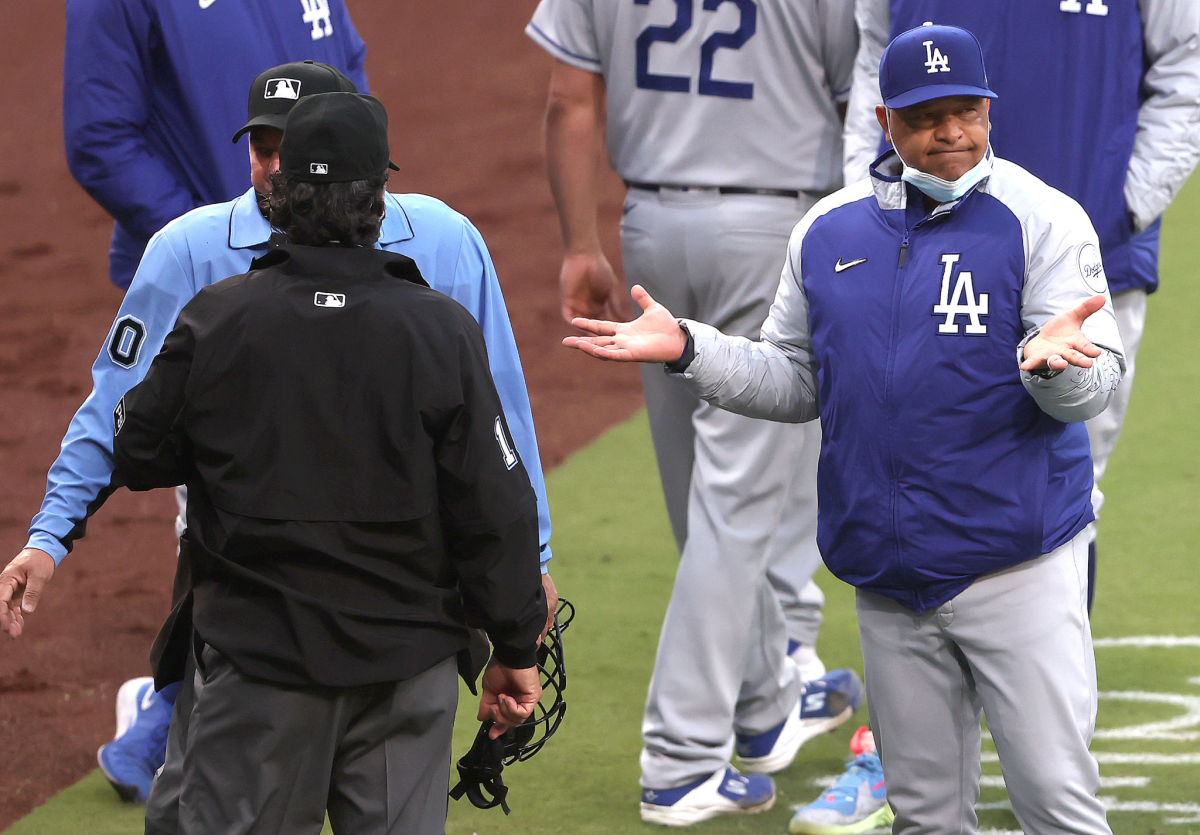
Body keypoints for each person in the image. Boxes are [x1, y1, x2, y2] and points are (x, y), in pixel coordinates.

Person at [565, 24, 1122, 835]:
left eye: (968, 111)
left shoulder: (1043, 221)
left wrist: (1057, 368)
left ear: (990, 111)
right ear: (885, 119)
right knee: (925, 818)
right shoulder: (828, 234)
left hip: (1017, 568)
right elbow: (794, 379)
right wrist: (693, 349)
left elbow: (1088, 392)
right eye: (929, 117)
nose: (953, 133)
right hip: (890, 579)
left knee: (1057, 809)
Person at [3, 60, 557, 823]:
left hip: (286, 624)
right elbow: (110, 409)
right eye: (262, 145)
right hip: (324, 611)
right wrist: (50, 534)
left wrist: (537, 567)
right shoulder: (194, 254)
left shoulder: (426, 250)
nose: (271, 166)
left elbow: (503, 433)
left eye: (285, 150)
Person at [525, 0, 863, 824]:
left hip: (654, 226)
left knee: (700, 499)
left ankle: (763, 696)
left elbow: (569, 99)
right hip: (776, 225)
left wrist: (579, 243)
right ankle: (681, 756)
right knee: (739, 503)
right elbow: (865, 96)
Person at [842, 1, 1200, 611]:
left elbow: (1187, 65)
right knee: (921, 466)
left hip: (1089, 266)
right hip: (920, 248)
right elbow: (871, 60)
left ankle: (1055, 697)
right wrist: (864, 207)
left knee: (1071, 481)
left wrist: (1123, 208)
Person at [63, 0, 369, 290]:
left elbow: (349, 76)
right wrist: (213, 245)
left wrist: (349, 214)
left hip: (330, 259)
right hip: (203, 287)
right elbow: (101, 137)